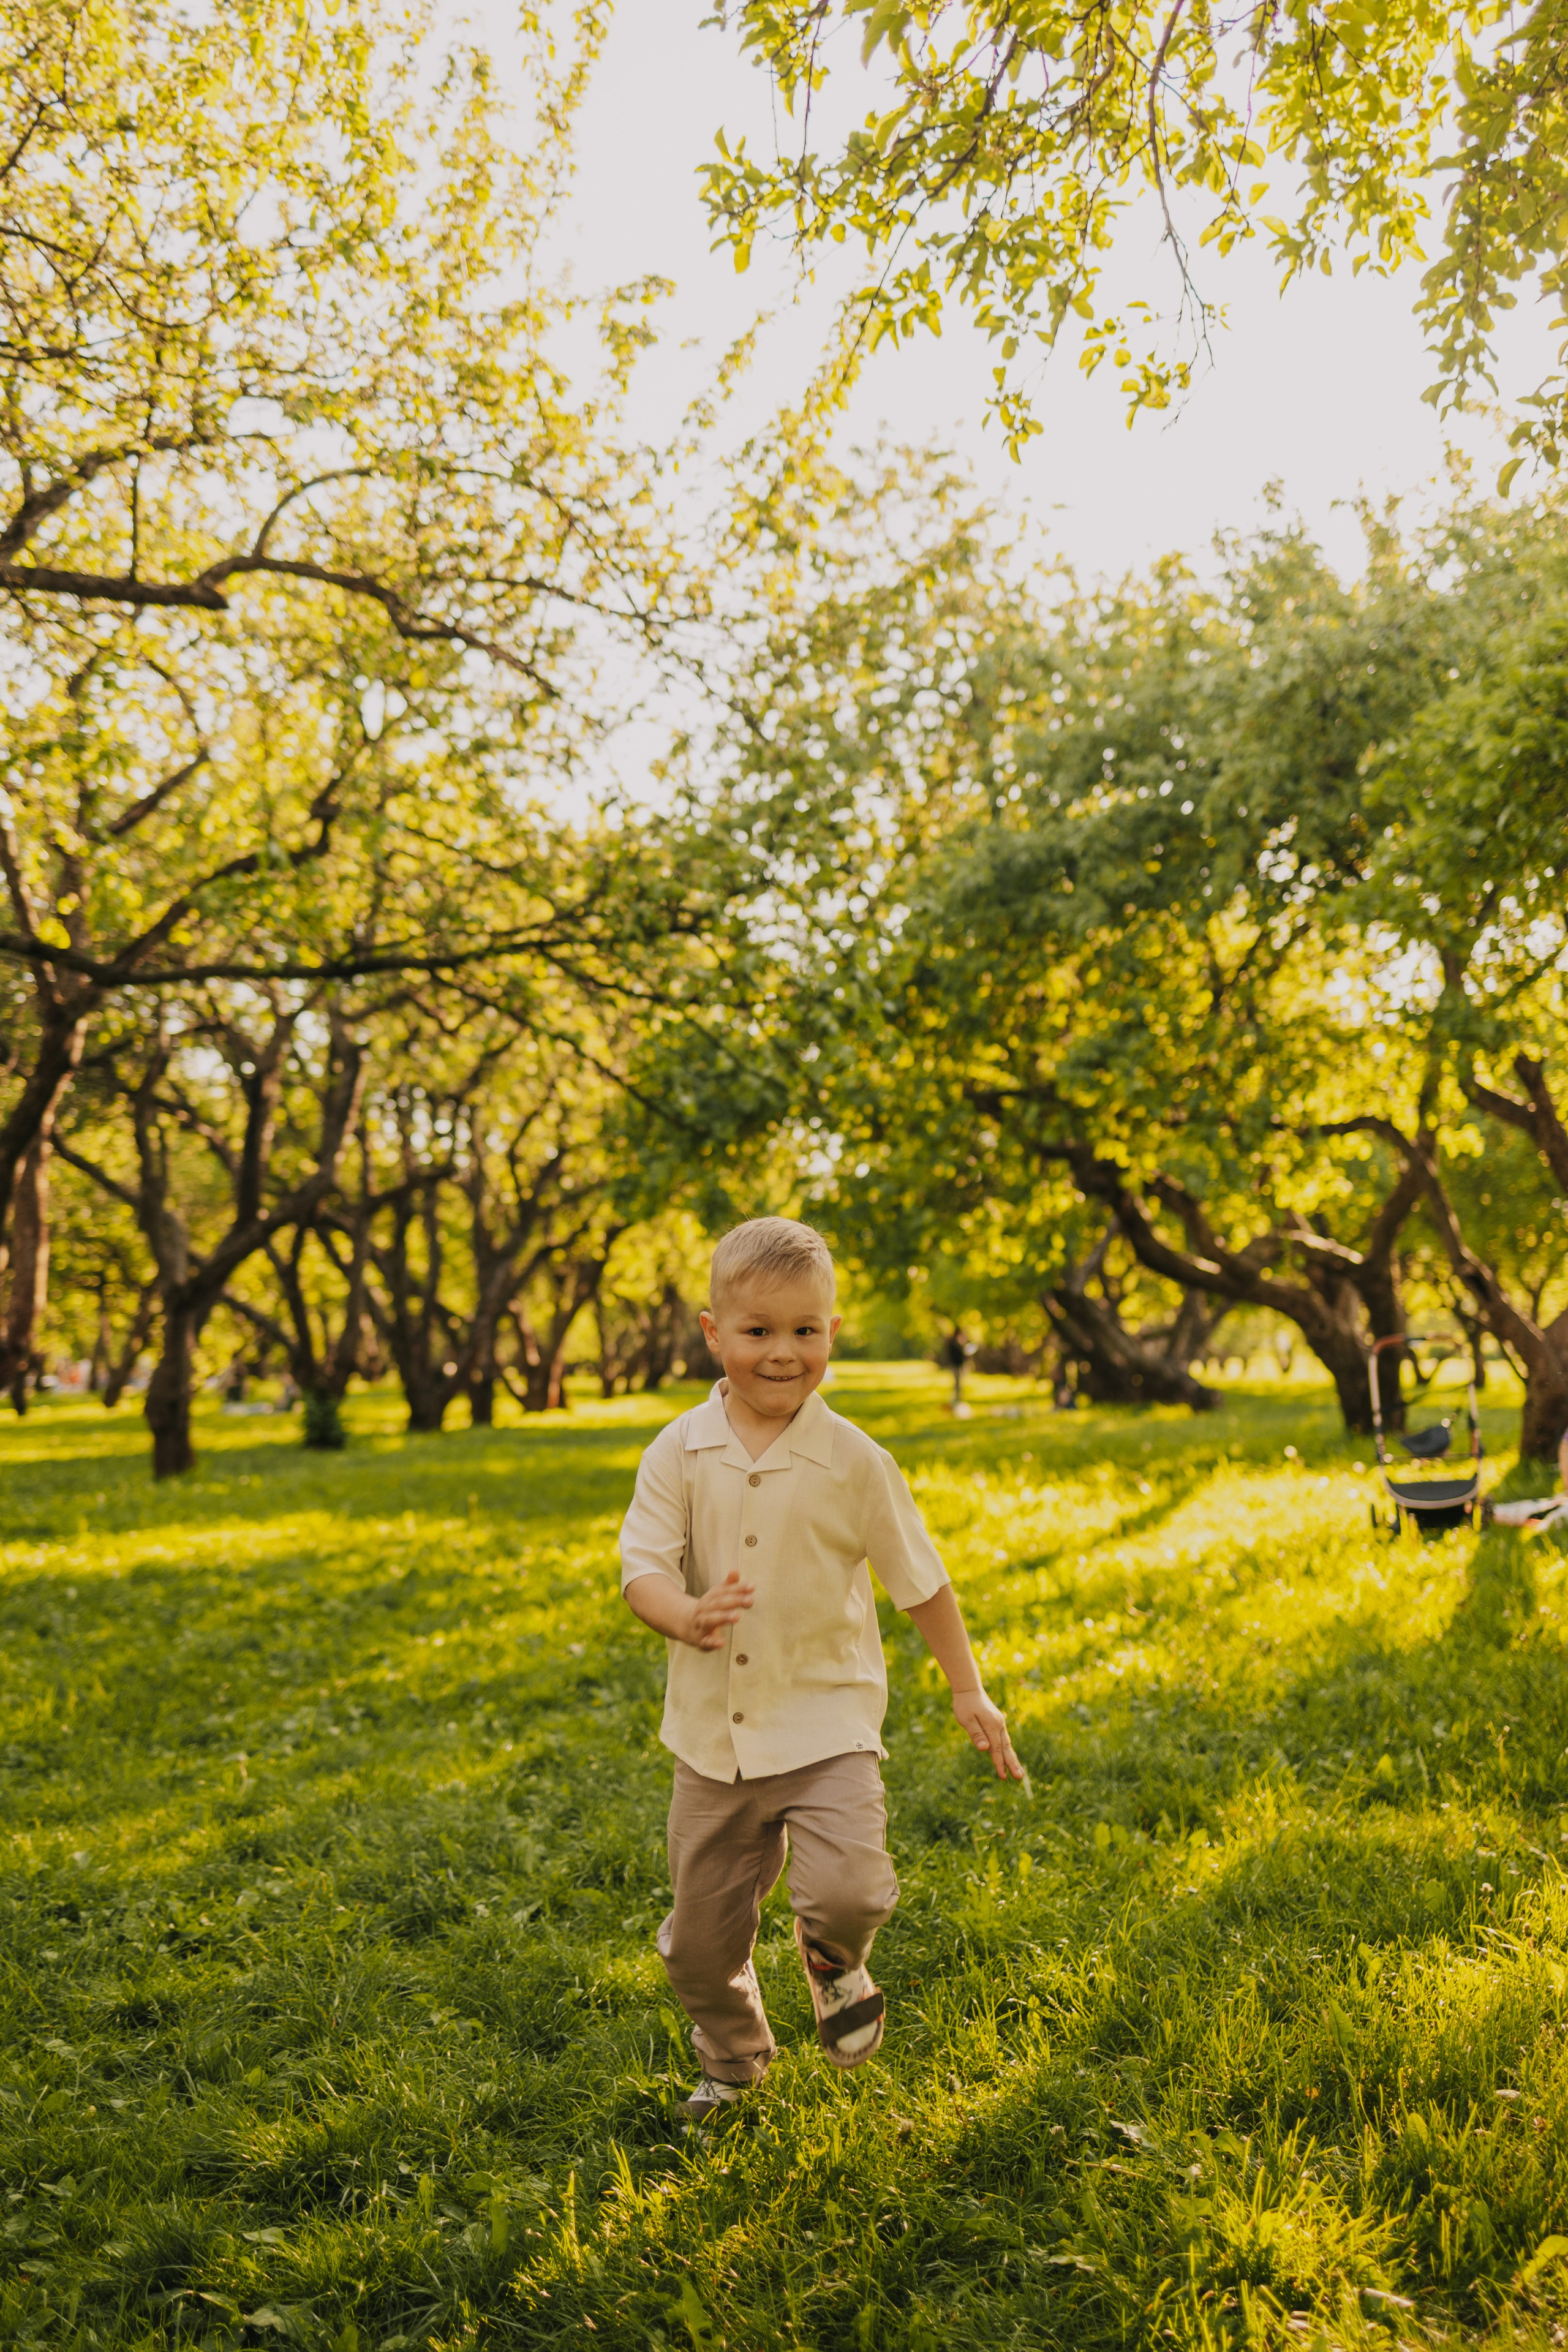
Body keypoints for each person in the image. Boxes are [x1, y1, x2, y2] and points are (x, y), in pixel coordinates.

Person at [619, 1216, 1022, 2123]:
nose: (782, 1353)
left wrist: (968, 1686)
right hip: (712, 1743)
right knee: (697, 1947)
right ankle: (732, 2061)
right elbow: (642, 1568)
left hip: (828, 1722)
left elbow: (922, 1582)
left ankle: (834, 1961)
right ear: (713, 1332)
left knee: (850, 1889)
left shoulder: (856, 1462)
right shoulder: (676, 1452)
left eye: (805, 1331)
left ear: (832, 1333)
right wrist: (684, 1614)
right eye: (758, 1332)